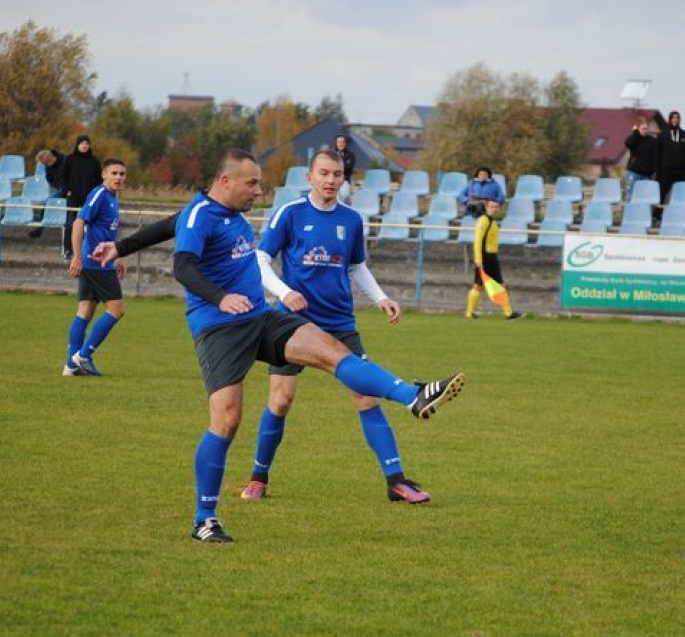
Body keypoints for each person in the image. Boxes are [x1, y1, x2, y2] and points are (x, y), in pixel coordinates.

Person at [95, 149, 465, 543]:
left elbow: (170, 223)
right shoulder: (201, 215)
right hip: (219, 328)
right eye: (252, 183)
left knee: (331, 351)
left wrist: (122, 246)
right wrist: (220, 298)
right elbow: (184, 266)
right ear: (225, 182)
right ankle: (205, 519)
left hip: (259, 317)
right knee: (227, 420)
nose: (258, 190)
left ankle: (414, 395)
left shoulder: (219, 212)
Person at [236, 149, 430, 504]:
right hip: (292, 323)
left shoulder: (352, 219)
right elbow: (260, 259)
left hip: (340, 322)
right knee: (280, 401)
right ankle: (258, 477)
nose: (330, 180)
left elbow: (357, 266)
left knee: (366, 396)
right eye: (323, 173)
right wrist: (285, 291)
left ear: (344, 179)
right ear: (309, 177)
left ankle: (397, 481)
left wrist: (381, 298)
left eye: (336, 175)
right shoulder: (289, 214)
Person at [63, 158, 128, 377]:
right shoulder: (100, 194)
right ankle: (83, 356)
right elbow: (79, 222)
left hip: (101, 261)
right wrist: (76, 257)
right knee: (117, 310)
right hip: (96, 263)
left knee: (85, 311)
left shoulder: (111, 198)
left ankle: (70, 366)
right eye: (114, 173)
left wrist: (117, 256)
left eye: (122, 174)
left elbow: (105, 231)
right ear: (104, 175)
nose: (118, 177)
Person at [465, 198, 523, 321]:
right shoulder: (483, 220)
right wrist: (478, 258)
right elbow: (478, 241)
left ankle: (509, 313)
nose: (495, 209)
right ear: (486, 207)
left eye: (497, 207)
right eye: (492, 206)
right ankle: (469, 313)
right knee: (478, 286)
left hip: (492, 257)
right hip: (484, 258)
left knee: (501, 285)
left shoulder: (493, 221)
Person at [61, 135, 103, 260]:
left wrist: (93, 193)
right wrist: (67, 191)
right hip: (73, 196)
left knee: (91, 223)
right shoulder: (70, 159)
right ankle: (68, 250)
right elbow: (63, 176)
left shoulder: (94, 161)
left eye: (86, 143)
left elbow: (99, 179)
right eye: (82, 143)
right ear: (78, 145)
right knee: (70, 222)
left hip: (88, 197)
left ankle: (89, 249)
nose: (84, 146)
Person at [657, 111, 685, 204]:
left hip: (682, 173)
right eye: (673, 118)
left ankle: (682, 215)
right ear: (670, 119)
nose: (675, 120)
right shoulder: (662, 135)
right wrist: (658, 171)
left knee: (682, 195)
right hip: (665, 172)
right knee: (661, 194)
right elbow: (657, 154)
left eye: (677, 118)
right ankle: (657, 215)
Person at [29, 148, 67, 239]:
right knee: (47, 203)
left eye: (45, 163)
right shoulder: (48, 167)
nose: (44, 165)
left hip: (72, 189)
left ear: (49, 158)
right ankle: (40, 227)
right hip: (61, 189)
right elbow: (49, 179)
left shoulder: (65, 161)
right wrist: (58, 185)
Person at [624, 116, 659, 202]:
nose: (645, 130)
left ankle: (644, 215)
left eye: (646, 128)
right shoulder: (634, 139)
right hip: (634, 173)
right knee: (631, 196)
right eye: (643, 128)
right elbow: (628, 143)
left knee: (645, 198)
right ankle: (629, 214)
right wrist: (635, 133)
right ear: (637, 128)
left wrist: (654, 170)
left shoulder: (652, 140)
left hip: (647, 174)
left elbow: (656, 156)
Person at [334, 135, 356, 203]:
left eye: (342, 142)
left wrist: (336, 167)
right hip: (333, 180)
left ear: (345, 143)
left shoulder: (350, 155)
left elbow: (348, 167)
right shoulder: (331, 155)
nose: (341, 144)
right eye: (339, 142)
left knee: (344, 195)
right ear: (336, 143)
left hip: (345, 181)